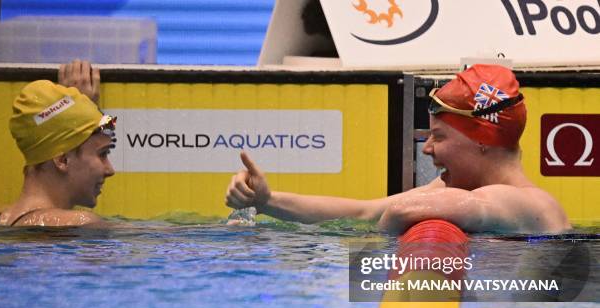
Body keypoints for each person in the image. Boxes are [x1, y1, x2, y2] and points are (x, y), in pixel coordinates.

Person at [225, 64, 571, 234]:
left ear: (483, 138)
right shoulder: (461, 190)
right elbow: (363, 212)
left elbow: (403, 212)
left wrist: (380, 247)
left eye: (439, 137)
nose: (428, 149)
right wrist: (266, 201)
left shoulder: (530, 205)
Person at [0, 60, 116, 227]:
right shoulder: (80, 223)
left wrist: (80, 106)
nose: (110, 170)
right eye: (102, 154)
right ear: (62, 160)